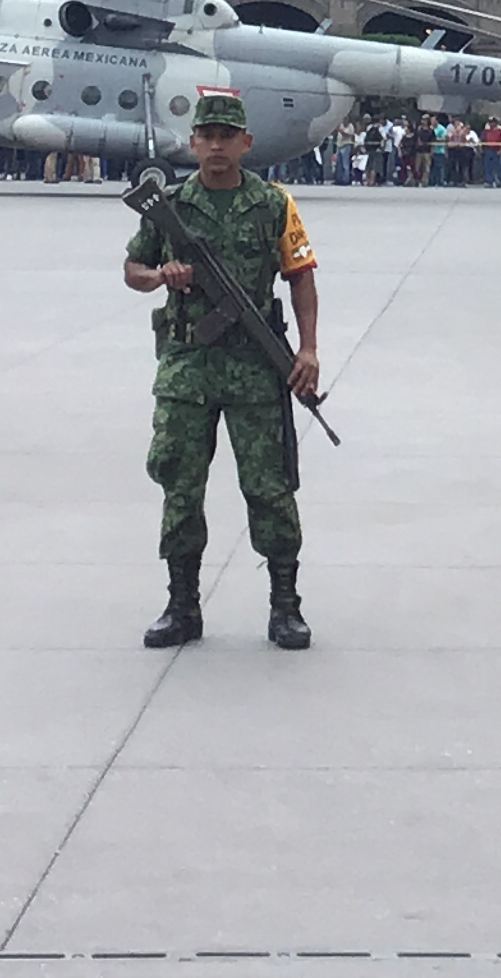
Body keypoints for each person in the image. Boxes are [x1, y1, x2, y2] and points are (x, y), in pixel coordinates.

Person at [124, 90, 323, 652]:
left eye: (226, 136)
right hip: (187, 369)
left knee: (269, 487)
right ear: (192, 142)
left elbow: (302, 275)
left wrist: (307, 350)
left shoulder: (273, 203)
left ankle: (286, 605)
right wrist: (162, 275)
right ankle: (181, 604)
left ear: (245, 143)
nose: (215, 145)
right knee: (180, 487)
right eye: (206, 136)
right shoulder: (171, 206)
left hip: (254, 368)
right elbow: (131, 268)